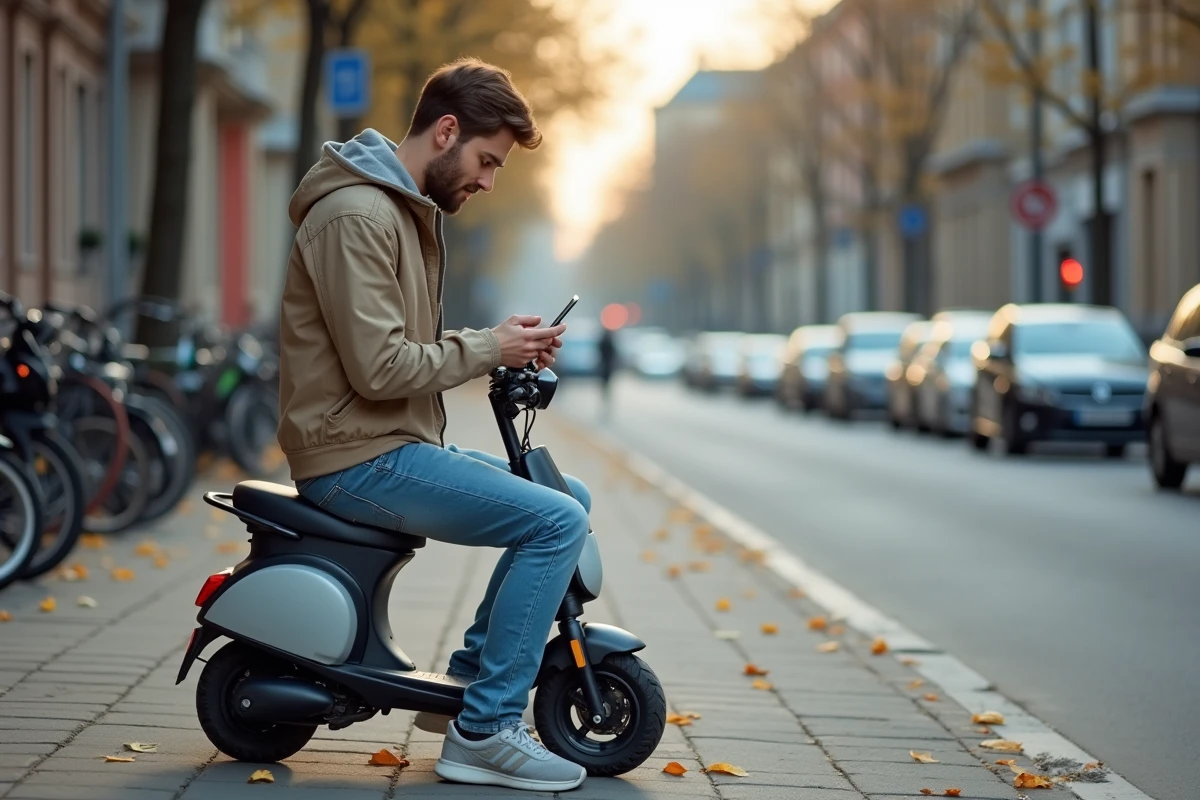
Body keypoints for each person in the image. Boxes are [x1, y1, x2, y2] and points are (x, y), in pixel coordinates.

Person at [277, 58, 591, 793]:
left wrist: (495, 340)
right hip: (355, 456)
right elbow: (380, 369)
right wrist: (489, 347)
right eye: (486, 161)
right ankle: (484, 731)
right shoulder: (358, 215)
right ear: (445, 131)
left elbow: (396, 347)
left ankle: (467, 690)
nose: (487, 181)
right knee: (553, 524)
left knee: (565, 496)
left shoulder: (397, 209)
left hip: (386, 444)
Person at [597, 327, 617, 418]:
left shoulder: (603, 341)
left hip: (604, 366)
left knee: (604, 386)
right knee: (605, 386)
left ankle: (605, 399)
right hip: (606, 366)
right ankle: (605, 399)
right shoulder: (608, 342)